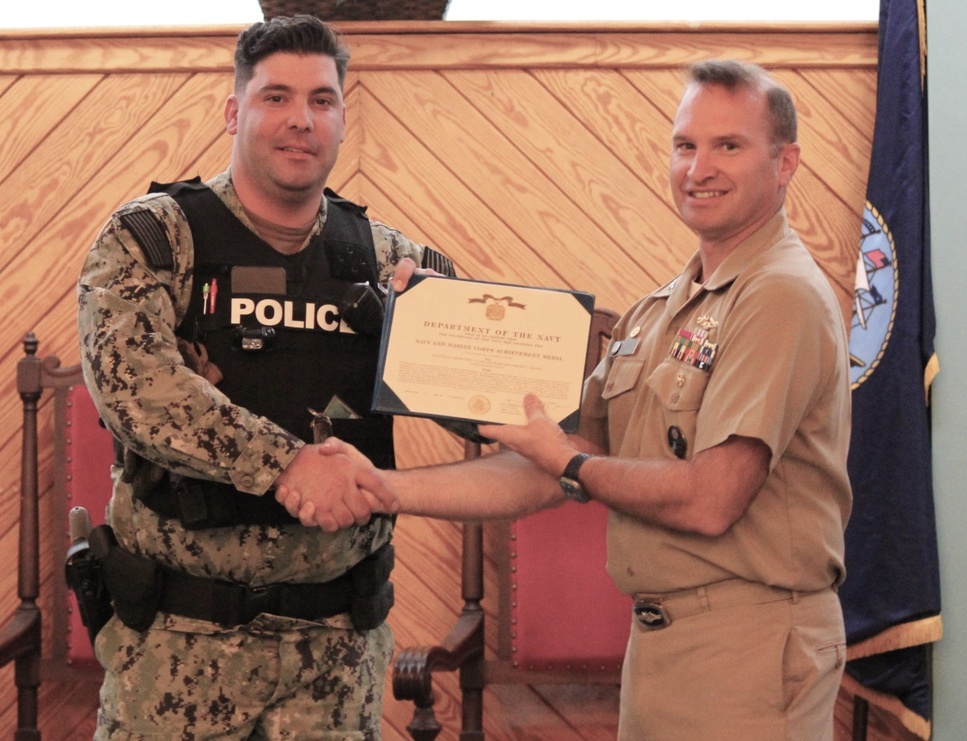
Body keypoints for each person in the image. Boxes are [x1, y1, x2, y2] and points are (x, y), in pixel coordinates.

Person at [282, 59, 853, 739]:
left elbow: (711, 497)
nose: (700, 167)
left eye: (729, 146)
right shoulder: (662, 309)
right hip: (666, 646)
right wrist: (386, 482)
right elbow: (545, 459)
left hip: (749, 650)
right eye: (685, 145)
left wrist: (571, 465)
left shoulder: (778, 295)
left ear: (785, 163)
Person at [77, 14, 453, 739]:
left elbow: (484, 379)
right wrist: (286, 464)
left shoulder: (390, 261)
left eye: (322, 100)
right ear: (233, 110)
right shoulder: (153, 238)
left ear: (343, 118)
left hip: (335, 667)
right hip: (178, 662)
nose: (301, 121)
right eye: (276, 97)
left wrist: (564, 416)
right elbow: (135, 387)